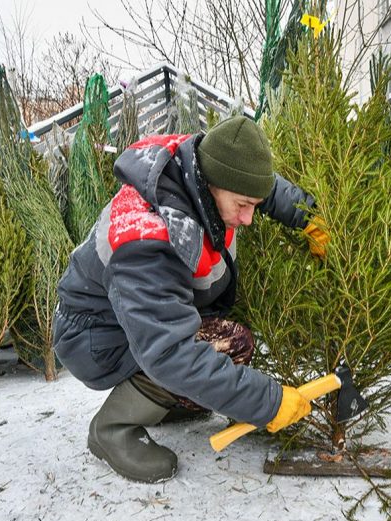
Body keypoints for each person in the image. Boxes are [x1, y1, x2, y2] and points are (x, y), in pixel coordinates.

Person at [52, 116, 329, 483]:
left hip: (126, 318)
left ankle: (168, 403)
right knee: (217, 346)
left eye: (255, 205)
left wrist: (307, 217)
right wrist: (270, 403)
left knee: (227, 342)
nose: (248, 218)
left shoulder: (200, 166)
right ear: (213, 184)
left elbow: (261, 185)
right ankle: (112, 429)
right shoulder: (146, 238)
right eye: (243, 205)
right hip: (93, 336)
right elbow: (170, 353)